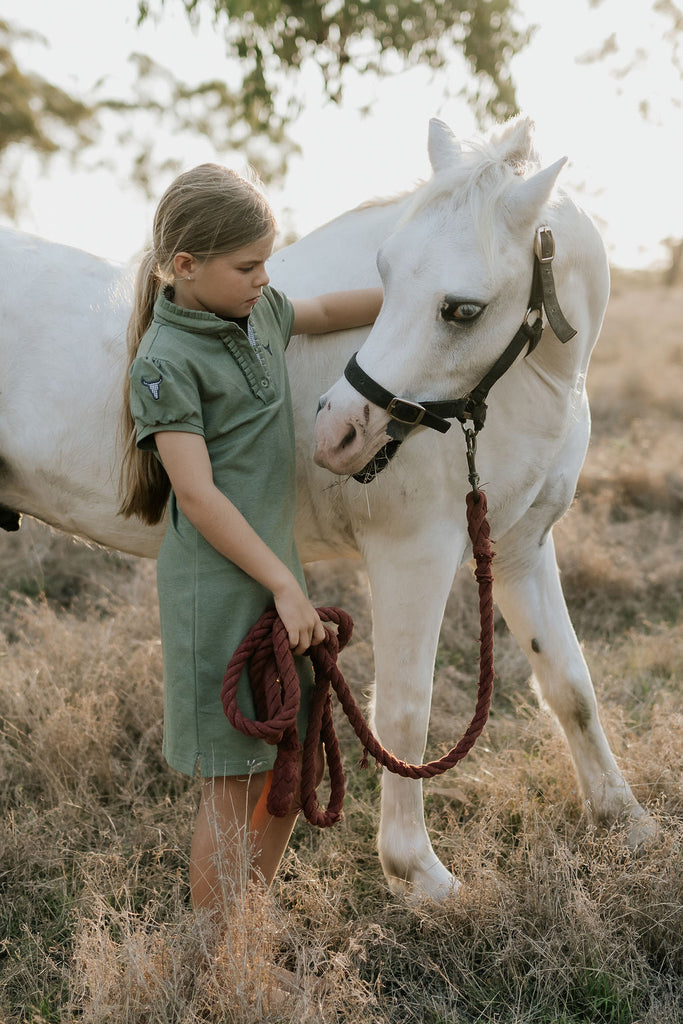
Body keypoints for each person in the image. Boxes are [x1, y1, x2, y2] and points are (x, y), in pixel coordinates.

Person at [118, 164, 382, 920]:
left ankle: (244, 940)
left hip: (273, 580)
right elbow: (197, 496)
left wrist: (424, 297)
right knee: (233, 787)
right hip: (223, 588)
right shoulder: (164, 362)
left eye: (267, 261)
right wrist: (285, 584)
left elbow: (328, 307)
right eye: (247, 266)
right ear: (184, 267)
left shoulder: (258, 313)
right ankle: (210, 966)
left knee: (284, 778)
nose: (265, 278)